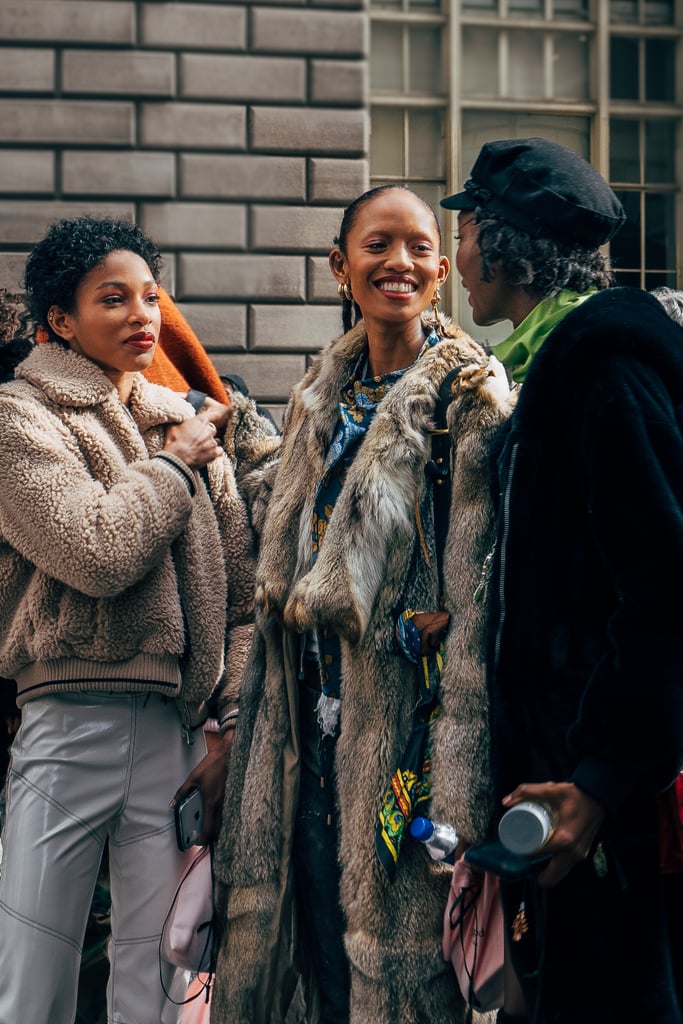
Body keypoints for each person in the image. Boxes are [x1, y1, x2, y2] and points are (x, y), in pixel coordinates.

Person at [211, 184, 514, 1024]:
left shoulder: (469, 401)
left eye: (418, 248)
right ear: (339, 266)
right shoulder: (322, 392)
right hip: (303, 733)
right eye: (377, 246)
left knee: (401, 983)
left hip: (401, 748)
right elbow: (288, 523)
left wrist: (454, 804)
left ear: (443, 270)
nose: (399, 264)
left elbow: (479, 601)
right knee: (311, 960)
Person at [0, 216, 273, 1024]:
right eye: (111, 299)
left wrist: (226, 727)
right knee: (32, 977)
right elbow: (95, 550)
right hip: (63, 724)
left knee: (165, 982)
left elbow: (243, 599)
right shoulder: (20, 417)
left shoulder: (183, 421)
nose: (140, 315)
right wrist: (173, 464)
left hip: (175, 736)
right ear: (59, 320)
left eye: (149, 296)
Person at [442, 137, 683, 1023]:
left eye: (465, 228)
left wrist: (600, 773)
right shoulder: (554, 362)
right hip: (564, 788)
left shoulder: (597, 366)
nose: (455, 256)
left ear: (503, 242)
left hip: (598, 805)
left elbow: (661, 586)